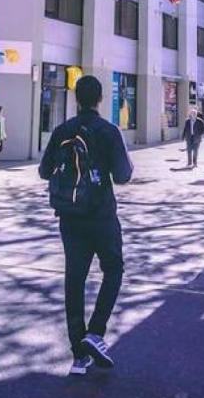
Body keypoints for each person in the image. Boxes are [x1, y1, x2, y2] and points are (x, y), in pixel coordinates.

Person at [38, 75, 133, 376]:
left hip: (70, 217)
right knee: (114, 268)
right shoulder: (108, 130)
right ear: (100, 98)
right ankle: (96, 331)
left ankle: (79, 354)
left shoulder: (63, 130)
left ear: (76, 98)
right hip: (102, 215)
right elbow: (122, 175)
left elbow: (43, 172)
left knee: (74, 279)